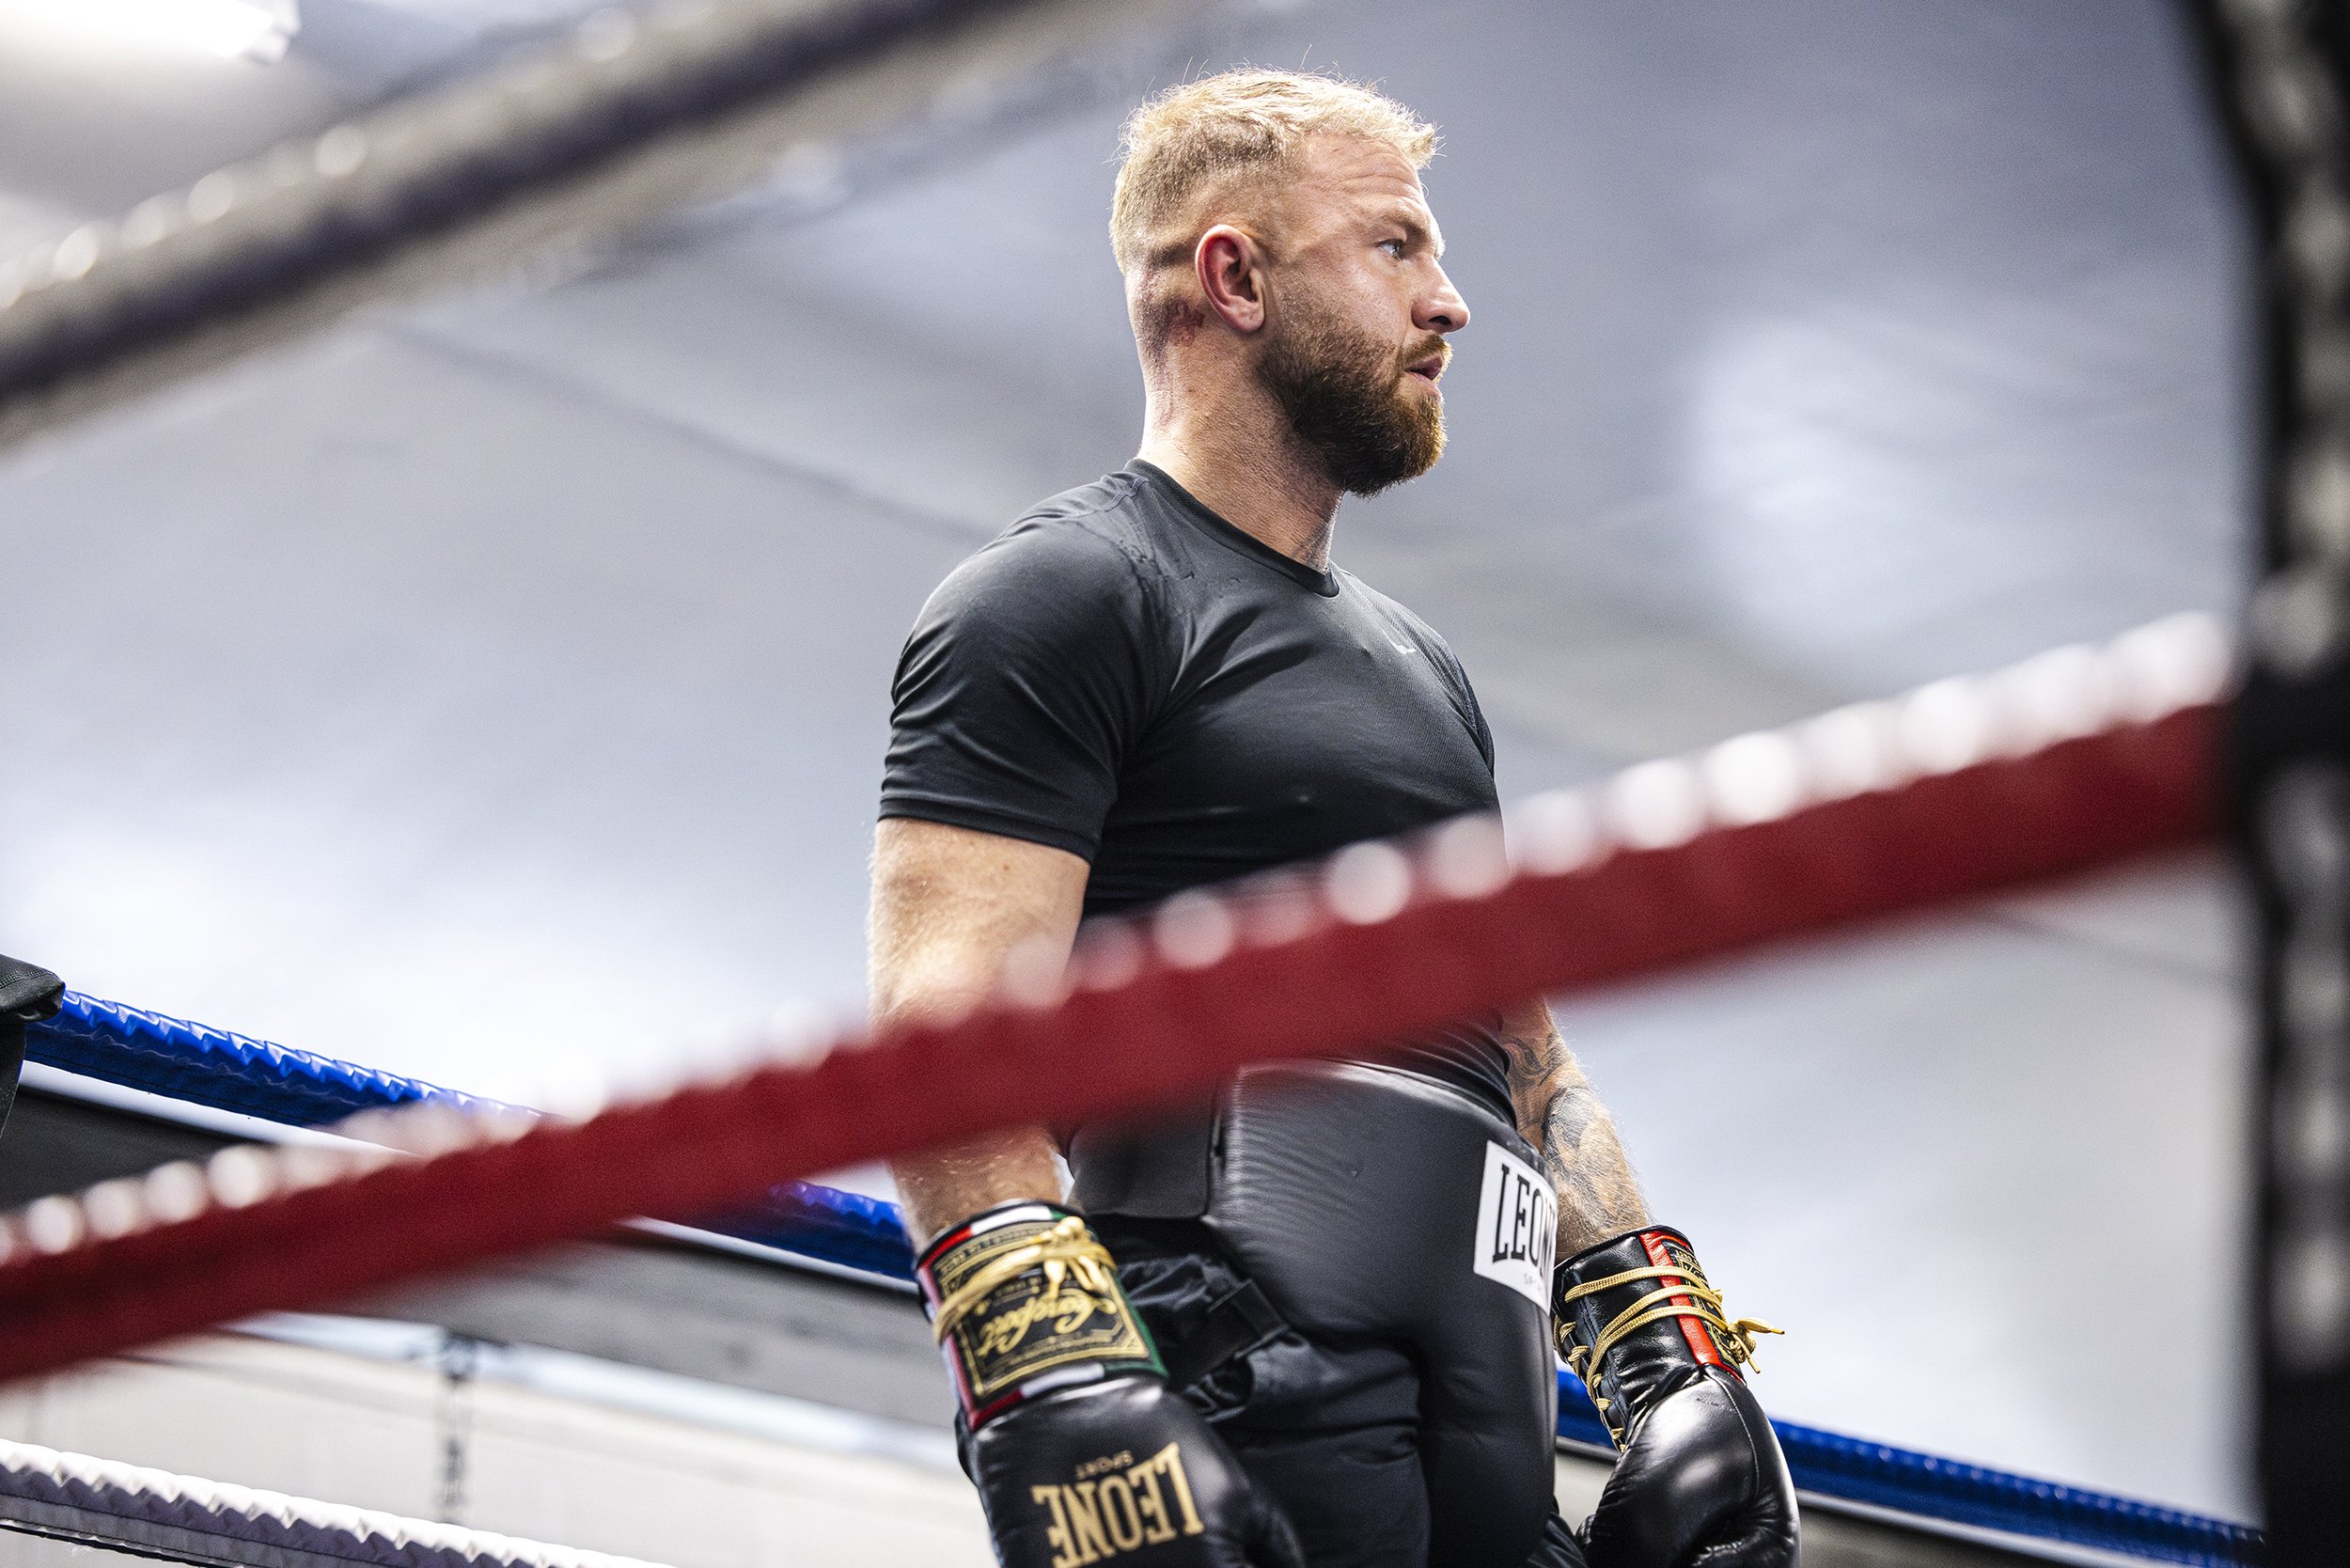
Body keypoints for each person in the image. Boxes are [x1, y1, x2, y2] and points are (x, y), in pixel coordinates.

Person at [870, 70, 1797, 1568]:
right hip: (1236, 1378)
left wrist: (1667, 1357)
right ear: (1233, 275)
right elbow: (945, 1027)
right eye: (1396, 249)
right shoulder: (1066, 592)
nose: (1452, 304)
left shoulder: (1426, 673)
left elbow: (1530, 1060)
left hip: (1488, 1433)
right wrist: (1059, 1390)